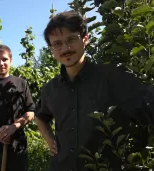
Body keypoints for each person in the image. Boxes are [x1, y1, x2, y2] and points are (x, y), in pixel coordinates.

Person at [35, 11, 154, 170]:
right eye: (57, 43)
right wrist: (50, 141)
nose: (65, 48)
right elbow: (40, 116)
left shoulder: (113, 78)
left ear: (85, 39)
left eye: (71, 39)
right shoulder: (50, 89)